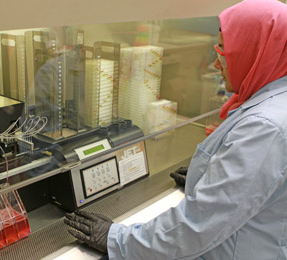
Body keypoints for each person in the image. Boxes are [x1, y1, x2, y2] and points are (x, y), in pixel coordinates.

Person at [64, 0, 287, 259]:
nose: (216, 64)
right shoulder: (275, 99)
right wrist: (207, 174)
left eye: (224, 52)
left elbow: (197, 226)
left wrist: (118, 240)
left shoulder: (264, 128)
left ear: (257, 52)